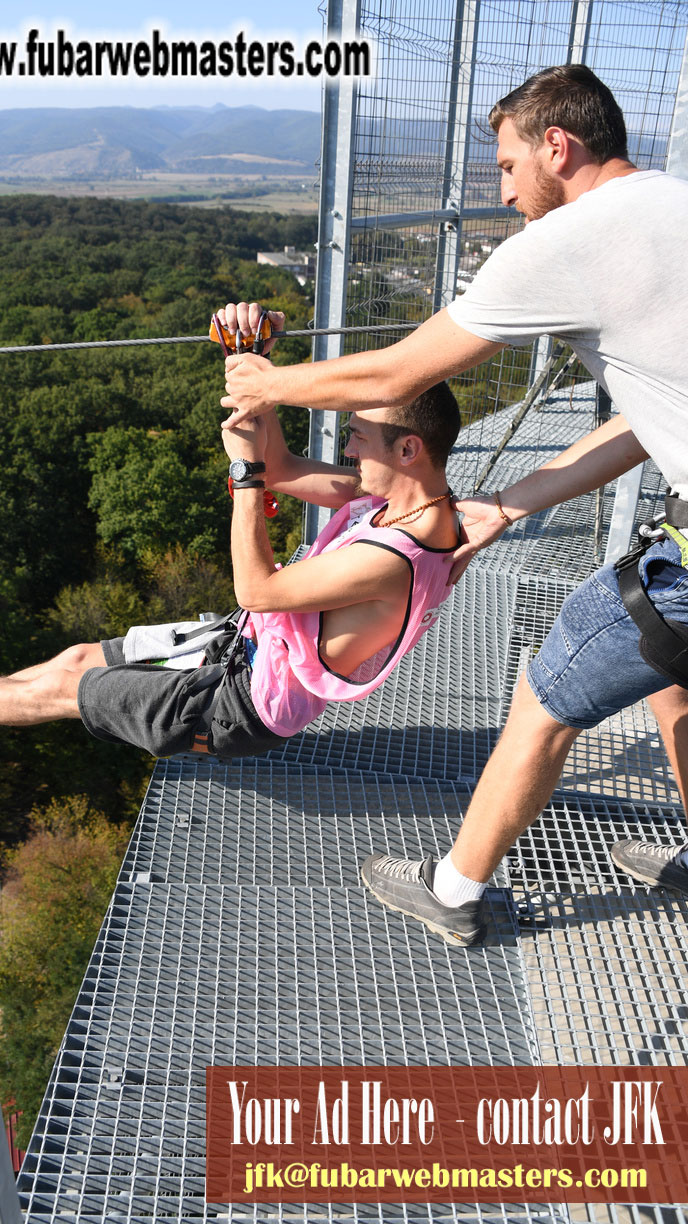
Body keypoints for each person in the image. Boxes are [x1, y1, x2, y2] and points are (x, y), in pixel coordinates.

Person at [217, 64, 688, 944]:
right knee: (672, 681)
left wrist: (270, 379)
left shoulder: (573, 237)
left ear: (560, 146)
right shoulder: (675, 204)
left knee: (548, 692)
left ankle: (454, 889)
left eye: (509, 167)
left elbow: (400, 372)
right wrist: (508, 505)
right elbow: (646, 422)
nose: (505, 194)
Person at [0, 335, 462, 761]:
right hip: (241, 650)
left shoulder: (395, 556)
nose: (347, 448)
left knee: (64, 689)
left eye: (358, 437)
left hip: (240, 703)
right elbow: (283, 467)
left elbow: (257, 588)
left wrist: (244, 476)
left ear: (409, 449)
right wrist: (251, 363)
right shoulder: (389, 501)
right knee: (76, 658)